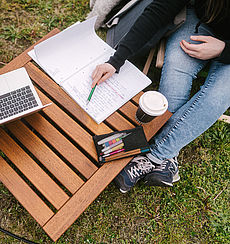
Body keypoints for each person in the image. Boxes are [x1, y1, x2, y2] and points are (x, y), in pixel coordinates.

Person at [91, 0, 230, 193]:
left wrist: (223, 49)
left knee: (217, 97)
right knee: (173, 82)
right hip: (201, 23)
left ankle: (153, 156)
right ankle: (166, 162)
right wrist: (116, 60)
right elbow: (158, 11)